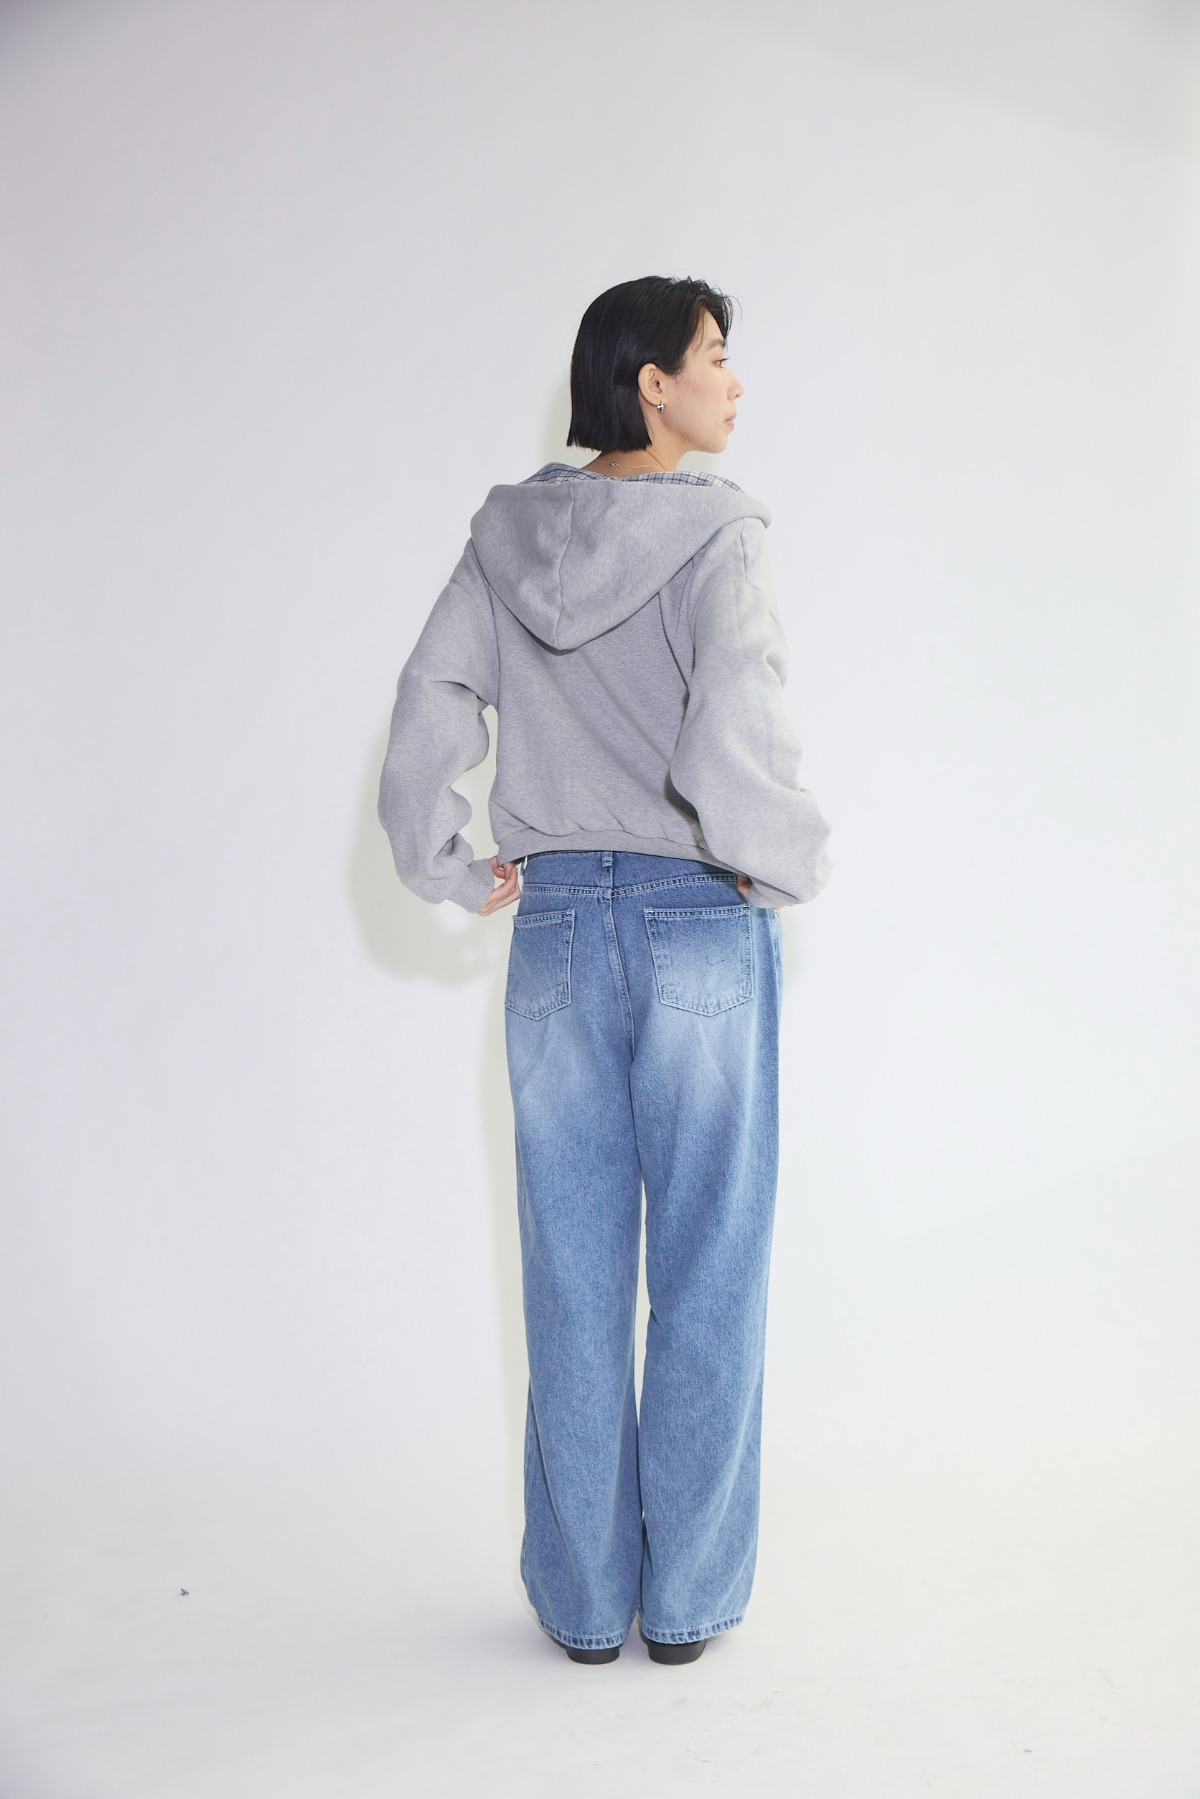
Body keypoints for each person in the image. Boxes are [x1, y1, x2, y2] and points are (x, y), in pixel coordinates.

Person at [377, 275, 833, 1668]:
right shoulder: (718, 533)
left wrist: (448, 862)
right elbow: (738, 718)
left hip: (559, 925)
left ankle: (582, 1607)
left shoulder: (504, 539)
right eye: (716, 356)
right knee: (710, 1267)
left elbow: (430, 696)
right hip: (699, 919)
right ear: (651, 383)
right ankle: (683, 1605)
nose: (734, 383)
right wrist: (782, 861)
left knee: (572, 1273)